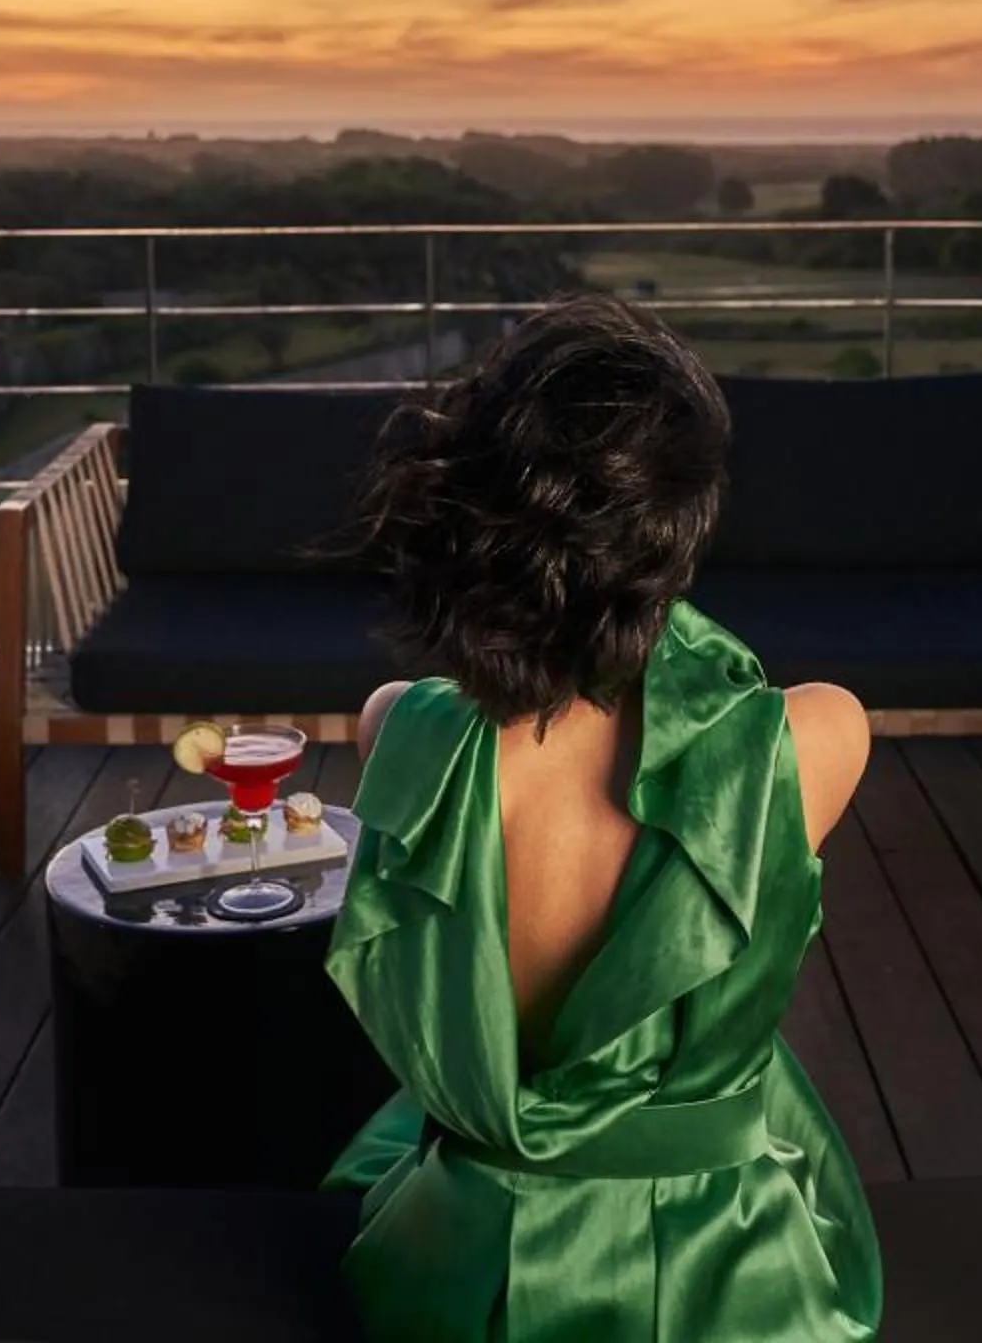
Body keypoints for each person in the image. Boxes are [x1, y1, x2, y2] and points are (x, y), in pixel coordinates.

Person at [321, 293, 882, 1341]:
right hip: (721, 1285)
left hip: (455, 1271)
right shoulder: (816, 735)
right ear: (682, 519)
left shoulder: (399, 728)